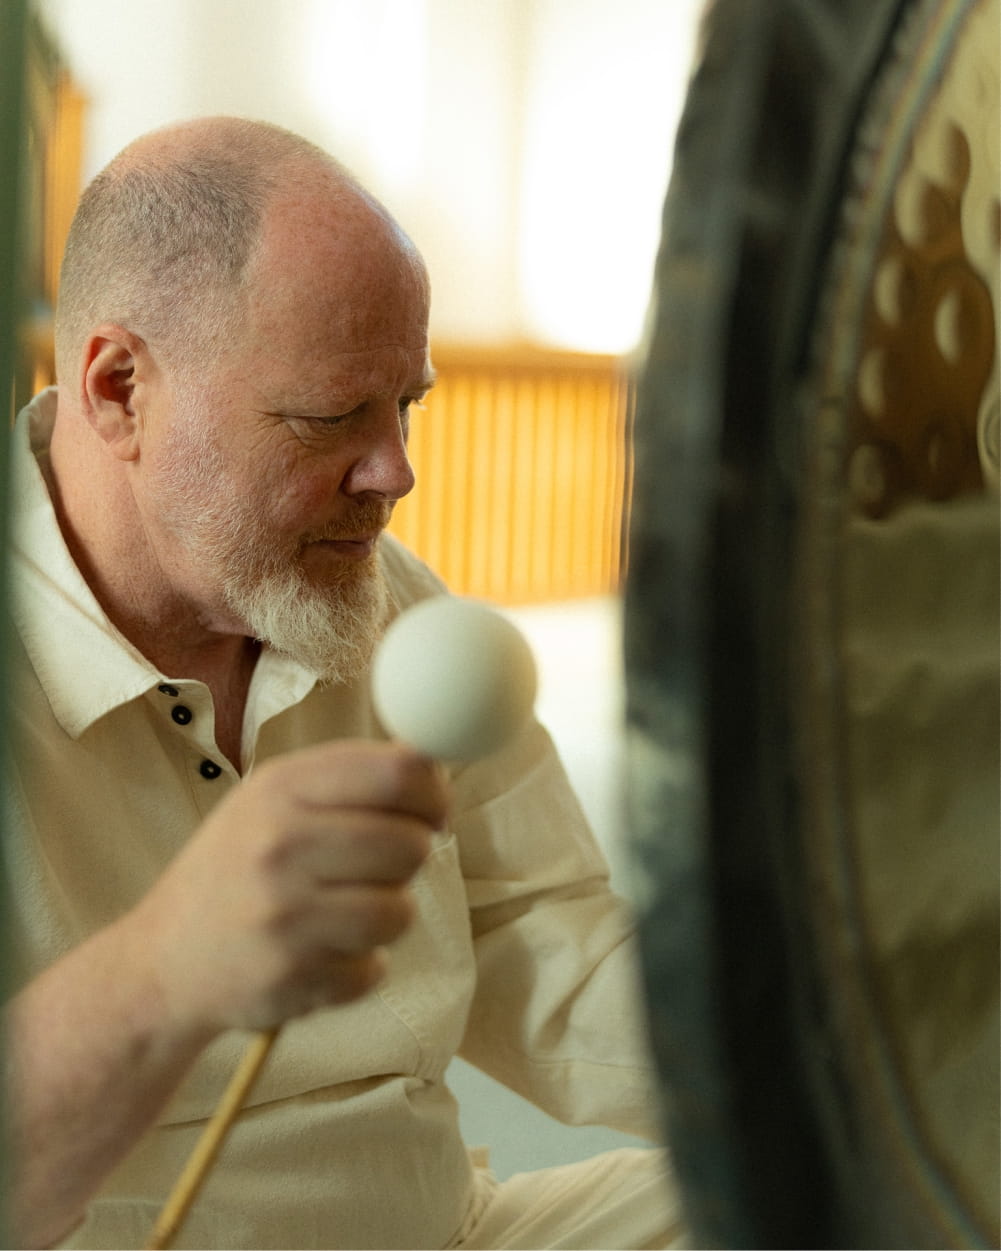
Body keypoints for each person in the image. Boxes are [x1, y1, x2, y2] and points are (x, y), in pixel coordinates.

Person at [3, 116, 682, 1250]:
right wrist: (165, 968)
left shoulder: (383, 600)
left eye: (405, 406)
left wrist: (864, 1056)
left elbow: (543, 949)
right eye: (330, 420)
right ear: (119, 388)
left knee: (875, 1189)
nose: (396, 473)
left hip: (441, 1229)